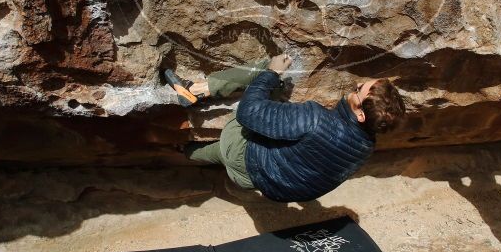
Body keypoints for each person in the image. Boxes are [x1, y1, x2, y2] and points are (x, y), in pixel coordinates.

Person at [163, 54, 406, 202]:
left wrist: (272, 72)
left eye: (358, 90)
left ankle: (194, 90)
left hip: (245, 156)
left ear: (361, 114)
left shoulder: (314, 119)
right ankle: (184, 151)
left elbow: (250, 113)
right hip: (257, 182)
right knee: (217, 154)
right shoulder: (366, 145)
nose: (358, 83)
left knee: (269, 73)